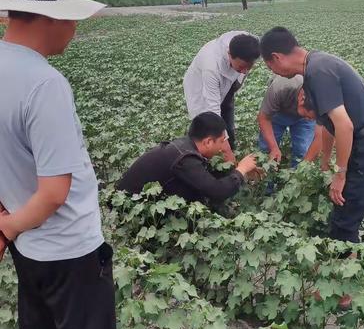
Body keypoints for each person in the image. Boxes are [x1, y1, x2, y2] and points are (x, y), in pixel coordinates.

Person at [0, 0, 118, 329]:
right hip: (70, 251)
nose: (76, 29)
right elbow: (54, 193)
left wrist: (10, 226)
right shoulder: (44, 83)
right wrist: (7, 225)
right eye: (72, 19)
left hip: (28, 249)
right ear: (52, 18)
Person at [260, 27, 364, 245]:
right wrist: (325, 163)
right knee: (345, 210)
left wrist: (340, 174)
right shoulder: (315, 67)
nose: (274, 73)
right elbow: (327, 125)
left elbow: (344, 126)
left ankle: (347, 269)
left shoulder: (318, 71)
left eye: (270, 67)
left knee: (345, 217)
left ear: (276, 58)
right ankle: (348, 257)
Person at [117, 112, 257, 206]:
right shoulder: (185, 158)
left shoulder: (185, 146)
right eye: (222, 141)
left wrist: (237, 172)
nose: (223, 147)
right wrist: (241, 170)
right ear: (208, 142)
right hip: (128, 205)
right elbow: (217, 192)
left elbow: (206, 179)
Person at [183, 31, 260, 162]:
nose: (245, 71)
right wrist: (230, 158)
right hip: (201, 90)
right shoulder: (211, 65)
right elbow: (213, 111)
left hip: (226, 85)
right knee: (205, 128)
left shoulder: (249, 44)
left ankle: (228, 153)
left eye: (249, 67)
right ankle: (199, 159)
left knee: (228, 126)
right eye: (241, 67)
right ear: (230, 54)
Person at [257, 74, 323, 167]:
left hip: (305, 112)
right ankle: (266, 178)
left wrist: (304, 165)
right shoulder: (281, 88)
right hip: (278, 112)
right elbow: (263, 118)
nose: (309, 119)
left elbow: (320, 137)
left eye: (313, 118)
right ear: (301, 100)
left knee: (303, 151)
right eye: (307, 116)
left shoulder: (323, 99)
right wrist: (273, 147)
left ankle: (295, 179)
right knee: (266, 150)